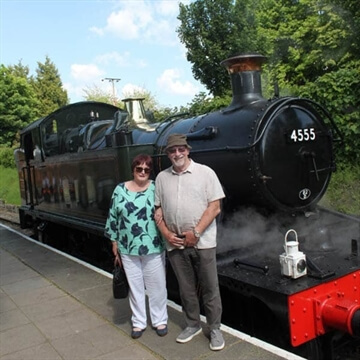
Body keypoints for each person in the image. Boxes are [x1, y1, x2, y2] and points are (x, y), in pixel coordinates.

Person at [154, 134, 226, 351]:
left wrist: (196, 232)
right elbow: (158, 210)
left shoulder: (206, 173)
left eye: (180, 149)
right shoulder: (161, 178)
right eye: (172, 150)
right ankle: (193, 324)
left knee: (210, 287)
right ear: (168, 154)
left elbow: (215, 207)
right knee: (186, 288)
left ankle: (214, 329)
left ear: (187, 150)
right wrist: (166, 233)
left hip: (202, 241)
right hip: (174, 243)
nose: (177, 154)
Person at [105, 154, 168, 339]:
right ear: (133, 169)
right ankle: (138, 322)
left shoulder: (156, 187)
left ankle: (159, 320)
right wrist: (114, 242)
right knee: (135, 286)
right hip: (127, 247)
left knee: (157, 286)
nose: (142, 172)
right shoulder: (119, 190)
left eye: (147, 169)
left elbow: (166, 208)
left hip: (153, 245)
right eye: (139, 169)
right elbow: (113, 217)